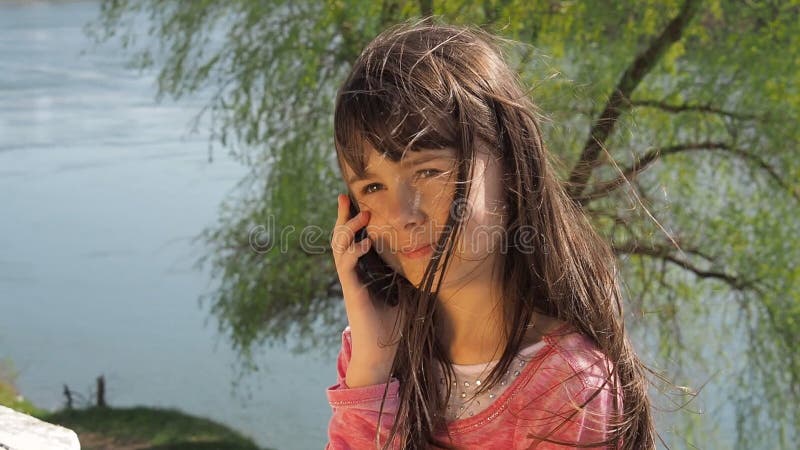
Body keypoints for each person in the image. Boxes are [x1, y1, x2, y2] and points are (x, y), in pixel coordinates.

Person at [327, 21, 655, 450]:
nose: (400, 215)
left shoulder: (569, 387)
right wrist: (372, 369)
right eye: (372, 188)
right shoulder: (374, 350)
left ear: (512, 166)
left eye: (427, 171)